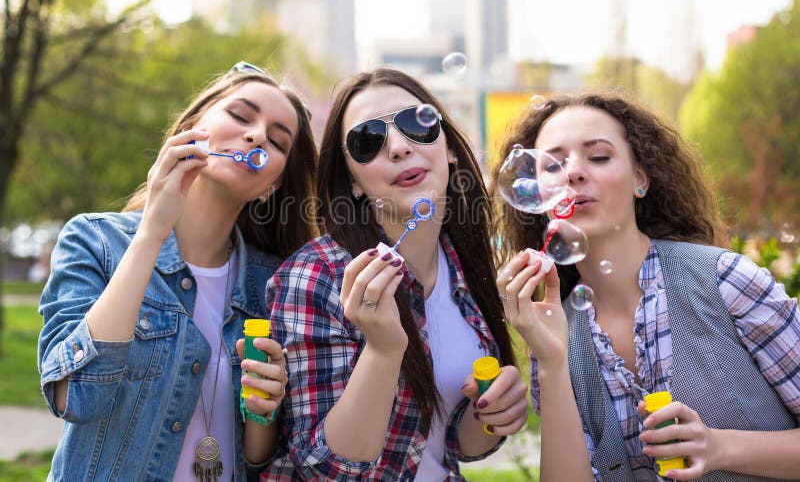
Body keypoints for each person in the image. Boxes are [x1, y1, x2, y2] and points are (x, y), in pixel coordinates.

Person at [492, 92, 800, 481]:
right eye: (553, 165)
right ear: (535, 194)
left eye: (599, 156)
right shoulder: (553, 331)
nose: (573, 173)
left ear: (641, 178)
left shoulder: (724, 281)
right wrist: (552, 362)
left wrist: (720, 447)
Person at [37, 61, 318, 481]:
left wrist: (264, 411)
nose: (257, 135)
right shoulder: (95, 241)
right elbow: (77, 397)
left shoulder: (276, 283)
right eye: (240, 116)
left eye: (277, 141)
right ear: (191, 129)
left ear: (270, 186)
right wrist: (152, 229)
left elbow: (260, 459)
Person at [261, 68, 530, 480]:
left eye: (416, 124)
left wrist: (492, 415)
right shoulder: (315, 276)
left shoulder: (463, 263)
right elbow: (326, 471)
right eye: (368, 141)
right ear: (352, 181)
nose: (400, 147)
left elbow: (454, 444)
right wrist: (383, 351)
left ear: (451, 150)